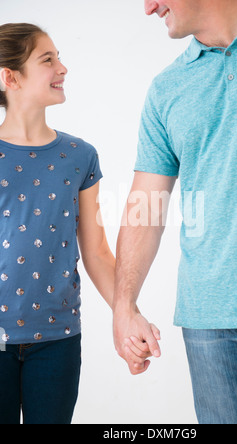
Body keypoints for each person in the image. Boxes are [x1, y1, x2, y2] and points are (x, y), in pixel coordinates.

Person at [113, 0, 237, 425]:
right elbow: (147, 202)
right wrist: (124, 306)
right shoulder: (168, 87)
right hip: (210, 322)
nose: (148, 8)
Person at [0, 23, 149, 425]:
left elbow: (97, 251)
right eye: (48, 60)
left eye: (60, 57)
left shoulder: (79, 156)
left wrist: (128, 313)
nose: (62, 68)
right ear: (9, 77)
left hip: (58, 341)